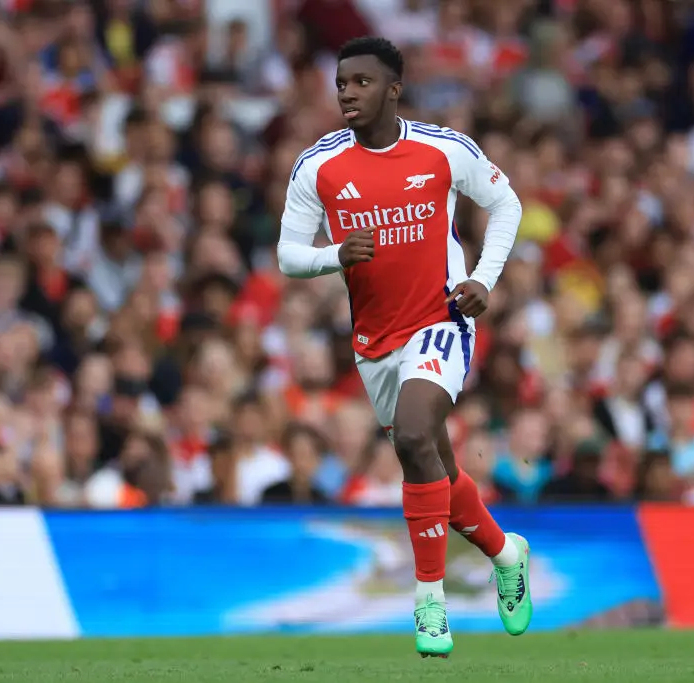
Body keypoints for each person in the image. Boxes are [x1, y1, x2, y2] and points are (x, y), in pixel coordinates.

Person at [277, 36, 530, 657]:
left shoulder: (444, 150)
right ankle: (505, 552)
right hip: (374, 341)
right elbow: (287, 254)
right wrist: (333, 256)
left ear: (394, 89)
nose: (347, 94)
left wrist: (482, 280)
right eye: (341, 83)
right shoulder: (319, 166)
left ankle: (429, 602)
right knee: (433, 467)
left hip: (441, 319)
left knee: (415, 437)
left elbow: (506, 204)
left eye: (361, 82)